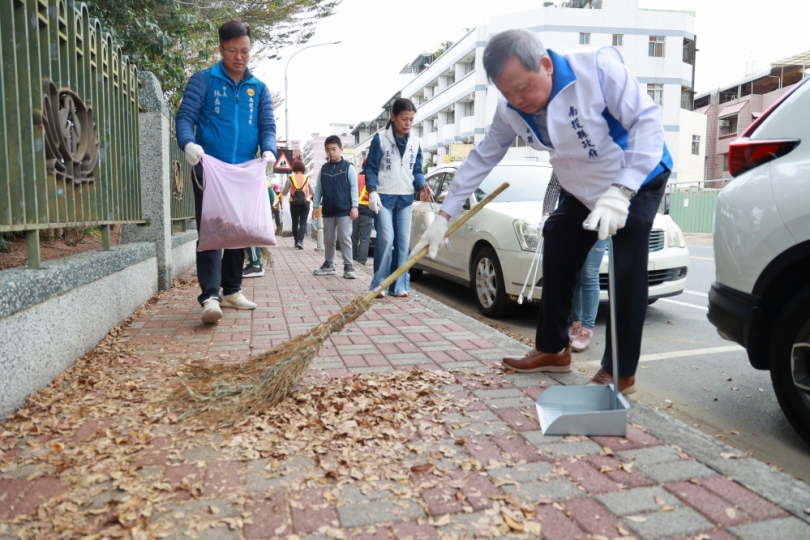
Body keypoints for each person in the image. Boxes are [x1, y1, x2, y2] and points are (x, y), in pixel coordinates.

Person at [415, 30, 672, 395]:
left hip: (637, 177)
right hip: (581, 189)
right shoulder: (511, 110)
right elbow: (480, 158)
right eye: (508, 93)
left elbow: (648, 124)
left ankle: (620, 371)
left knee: (626, 264)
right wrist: (444, 217)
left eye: (523, 88)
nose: (518, 100)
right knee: (558, 238)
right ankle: (553, 349)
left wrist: (622, 190)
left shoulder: (599, 69)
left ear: (547, 65)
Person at [176, 21, 276, 324]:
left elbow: (267, 126)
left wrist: (269, 149)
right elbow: (185, 117)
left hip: (243, 172)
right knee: (211, 233)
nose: (239, 57)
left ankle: (232, 290)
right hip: (210, 170)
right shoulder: (204, 80)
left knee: (238, 231)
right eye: (232, 50)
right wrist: (188, 143)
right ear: (221, 49)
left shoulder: (258, 89)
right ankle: (209, 297)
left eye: (245, 51)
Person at [365, 98, 431, 298]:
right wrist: (372, 190)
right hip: (383, 197)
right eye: (404, 119)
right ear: (393, 117)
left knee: (403, 242)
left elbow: (417, 170)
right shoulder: (380, 139)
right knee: (386, 238)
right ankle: (380, 284)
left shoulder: (415, 142)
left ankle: (399, 285)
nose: (408, 123)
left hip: (405, 199)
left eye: (411, 120)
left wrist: (423, 185)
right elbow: (371, 169)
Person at [543, 172, 606, 352]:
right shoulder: (566, 156)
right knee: (573, 271)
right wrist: (546, 214)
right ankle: (576, 323)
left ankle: (587, 328)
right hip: (570, 220)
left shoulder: (597, 157)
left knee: (588, 273)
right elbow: (554, 186)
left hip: (597, 219)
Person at [311, 136, 358, 279]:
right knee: (329, 239)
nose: (331, 153)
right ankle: (329, 264)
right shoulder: (324, 169)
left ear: (341, 149)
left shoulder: (348, 167)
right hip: (328, 210)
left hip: (344, 209)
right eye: (327, 150)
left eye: (334, 149)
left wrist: (354, 206)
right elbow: (318, 189)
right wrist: (315, 206)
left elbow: (354, 187)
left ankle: (348, 266)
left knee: (345, 237)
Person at [242, 174, 278, 278]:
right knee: (252, 229)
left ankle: (256, 266)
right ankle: (254, 263)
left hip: (260, 192)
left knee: (251, 231)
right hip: (264, 191)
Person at [283, 161, 313, 249]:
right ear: (303, 169)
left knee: (295, 223)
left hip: (294, 203)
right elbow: (312, 192)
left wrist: (286, 193)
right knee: (303, 223)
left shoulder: (290, 178)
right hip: (305, 202)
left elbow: (285, 192)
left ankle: (296, 241)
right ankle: (301, 241)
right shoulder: (307, 178)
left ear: (294, 169)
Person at [352, 158, 375, 266]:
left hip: (354, 210)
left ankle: (353, 259)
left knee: (354, 237)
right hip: (367, 211)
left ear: (362, 166)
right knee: (365, 239)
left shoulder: (355, 178)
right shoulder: (374, 179)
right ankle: (361, 262)